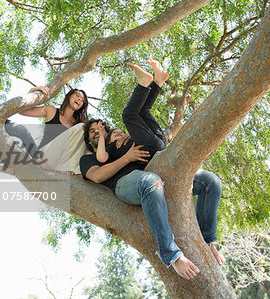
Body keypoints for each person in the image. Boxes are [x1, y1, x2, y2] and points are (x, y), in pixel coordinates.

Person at [80, 60, 225, 280]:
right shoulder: (91, 157)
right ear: (89, 140)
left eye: (101, 129)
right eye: (92, 131)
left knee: (210, 181)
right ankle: (172, 255)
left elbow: (141, 131)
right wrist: (126, 155)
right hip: (128, 182)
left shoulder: (119, 140)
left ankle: (208, 242)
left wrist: (128, 139)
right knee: (149, 177)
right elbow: (98, 175)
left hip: (158, 157)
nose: (98, 131)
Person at [19, 88, 90, 174]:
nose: (79, 99)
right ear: (69, 96)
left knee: (85, 135)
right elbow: (22, 110)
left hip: (62, 162)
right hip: (44, 156)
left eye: (82, 100)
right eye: (77, 95)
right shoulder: (51, 111)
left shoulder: (77, 126)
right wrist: (33, 91)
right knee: (82, 127)